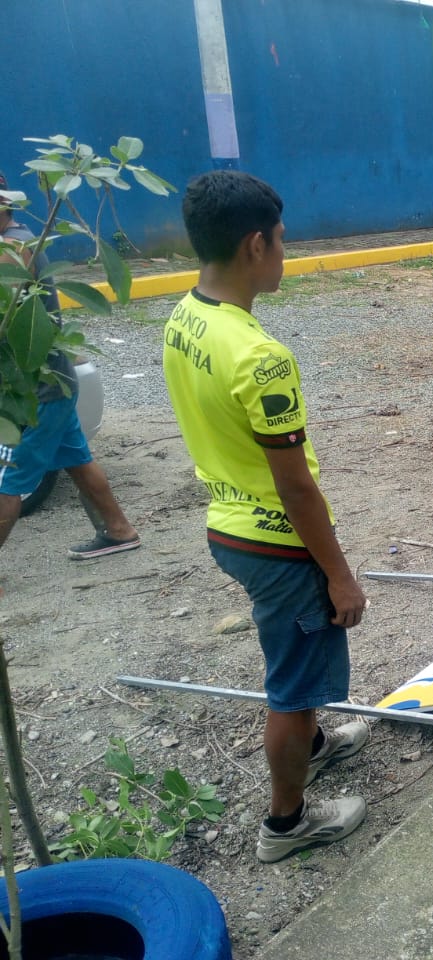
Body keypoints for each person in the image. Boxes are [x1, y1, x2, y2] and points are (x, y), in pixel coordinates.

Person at [162, 170, 370, 864]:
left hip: (227, 523)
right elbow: (296, 488)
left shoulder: (184, 317)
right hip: (278, 543)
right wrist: (339, 575)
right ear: (256, 244)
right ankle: (287, 823)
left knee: (293, 665)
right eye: (281, 240)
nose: (285, 252)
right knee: (293, 687)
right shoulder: (262, 358)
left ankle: (314, 744)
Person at [0, 172, 141, 560]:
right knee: (77, 459)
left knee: (7, 479)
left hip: (38, 389)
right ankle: (119, 531)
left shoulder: (13, 248)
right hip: (52, 382)